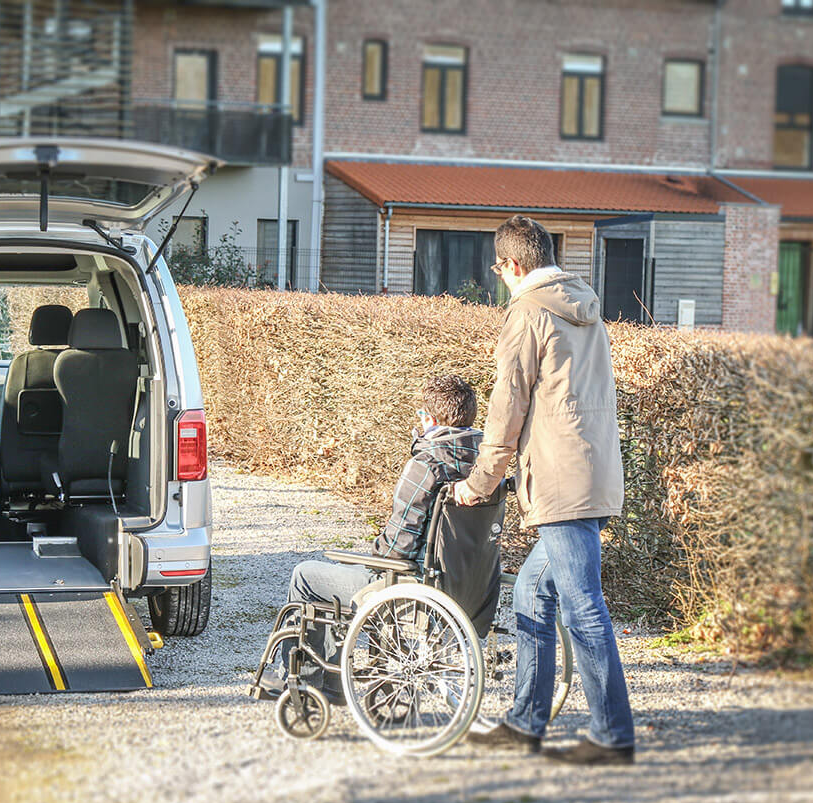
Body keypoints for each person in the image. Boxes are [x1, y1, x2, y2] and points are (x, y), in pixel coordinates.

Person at [455, 215, 635, 765]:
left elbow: (506, 407)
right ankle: (524, 723)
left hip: (560, 480)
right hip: (595, 471)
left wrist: (479, 481)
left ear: (511, 265)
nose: (500, 278)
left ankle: (612, 735)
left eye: (498, 270)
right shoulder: (586, 309)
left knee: (584, 606)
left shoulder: (528, 313)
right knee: (534, 592)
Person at [258, 374, 483, 700]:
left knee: (305, 576)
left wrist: (368, 555)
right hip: (467, 586)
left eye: (421, 415)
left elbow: (396, 547)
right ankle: (331, 685)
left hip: (411, 586)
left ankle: (309, 682)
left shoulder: (427, 465)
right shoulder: (485, 466)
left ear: (431, 419)